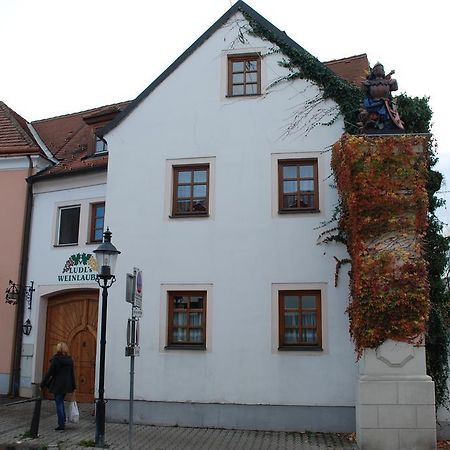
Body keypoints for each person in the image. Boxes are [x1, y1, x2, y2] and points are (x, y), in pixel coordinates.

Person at [41, 342, 76, 431]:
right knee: (61, 402)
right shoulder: (69, 360)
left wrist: (43, 384)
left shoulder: (56, 360)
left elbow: (50, 373)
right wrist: (73, 386)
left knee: (59, 403)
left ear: (58, 349)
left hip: (58, 385)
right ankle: (63, 420)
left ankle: (61, 424)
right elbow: (72, 374)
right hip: (66, 385)